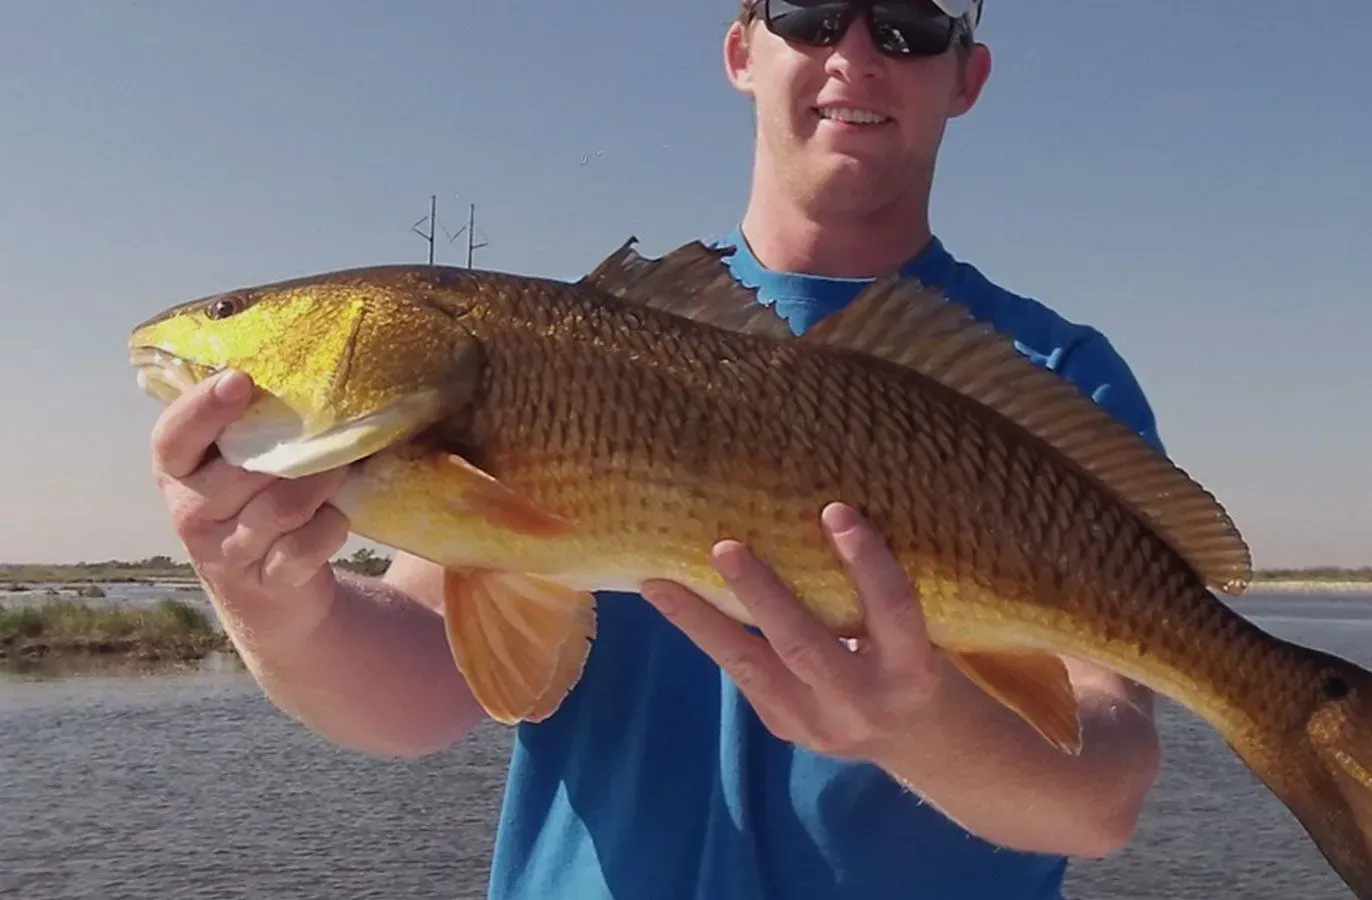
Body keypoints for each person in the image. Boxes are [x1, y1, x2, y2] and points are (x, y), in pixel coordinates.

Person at [146, 1, 1169, 897]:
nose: (854, 52)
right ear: (740, 51)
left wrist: (916, 723)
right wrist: (269, 597)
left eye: (907, 23)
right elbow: (415, 699)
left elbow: (1100, 795)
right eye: (810, 12)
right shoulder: (563, 353)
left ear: (965, 74)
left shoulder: (1047, 378)